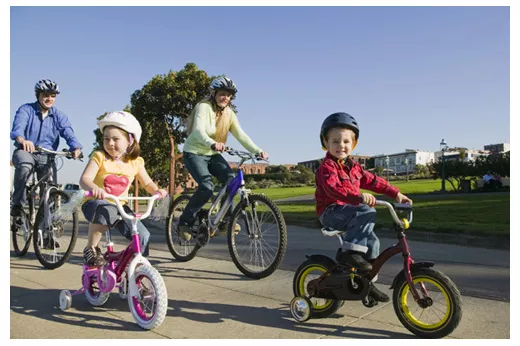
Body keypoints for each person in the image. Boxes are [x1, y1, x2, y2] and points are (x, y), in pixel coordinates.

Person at [315, 112, 413, 302]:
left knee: (373, 242)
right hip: (331, 212)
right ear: (325, 143)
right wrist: (357, 197)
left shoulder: (355, 168)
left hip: (350, 213)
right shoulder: (327, 167)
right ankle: (350, 254)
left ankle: (366, 283)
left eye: (346, 141)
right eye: (335, 141)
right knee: (366, 210)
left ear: (353, 144)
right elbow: (334, 188)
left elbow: (375, 181)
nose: (341, 146)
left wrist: (396, 194)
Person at [178, 76, 268, 239]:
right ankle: (185, 221)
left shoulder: (229, 114)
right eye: (222, 94)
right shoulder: (203, 107)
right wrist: (212, 143)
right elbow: (198, 131)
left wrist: (257, 150)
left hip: (212, 154)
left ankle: (225, 221)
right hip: (194, 153)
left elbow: (240, 134)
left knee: (231, 179)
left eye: (228, 94)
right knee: (207, 186)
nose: (225, 97)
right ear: (214, 93)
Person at [79, 111, 167, 266]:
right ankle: (91, 248)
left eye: (115, 139)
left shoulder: (136, 162)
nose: (110, 143)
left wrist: (156, 191)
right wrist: (95, 188)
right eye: (106, 139)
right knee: (107, 210)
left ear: (130, 141)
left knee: (143, 235)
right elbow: (85, 179)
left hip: (121, 206)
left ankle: (136, 270)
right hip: (95, 203)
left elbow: (147, 183)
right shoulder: (99, 157)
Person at [10, 79, 83, 218]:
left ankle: (48, 230)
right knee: (25, 167)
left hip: (47, 155)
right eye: (46, 95)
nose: (49, 99)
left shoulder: (58, 115)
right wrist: (22, 139)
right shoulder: (26, 109)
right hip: (26, 151)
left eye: (53, 96)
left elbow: (67, 131)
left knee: (50, 188)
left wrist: (75, 147)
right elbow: (18, 127)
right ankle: (17, 205)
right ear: (38, 95)